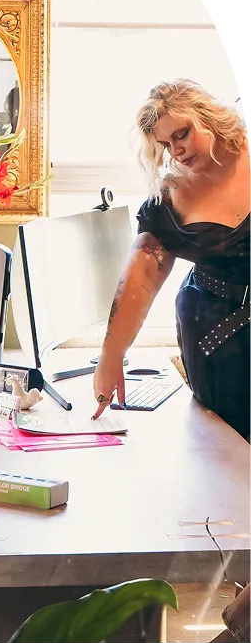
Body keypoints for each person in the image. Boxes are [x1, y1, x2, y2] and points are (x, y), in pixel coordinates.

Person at [92, 80, 250, 442]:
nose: (176, 151)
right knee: (229, 453)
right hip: (216, 337)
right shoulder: (173, 193)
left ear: (208, 116)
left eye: (182, 134)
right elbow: (142, 274)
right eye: (166, 144)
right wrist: (110, 356)